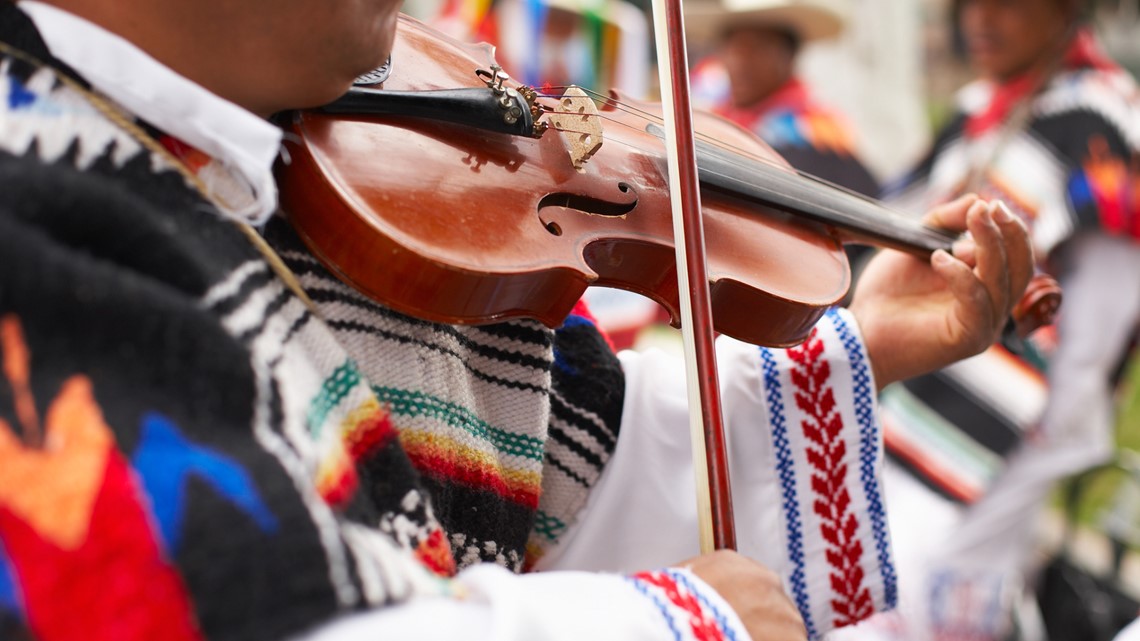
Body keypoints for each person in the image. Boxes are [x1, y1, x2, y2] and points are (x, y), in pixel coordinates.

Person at [0, 1, 1032, 641]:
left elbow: (537, 469)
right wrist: (674, 624)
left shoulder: (268, 167)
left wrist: (858, 340)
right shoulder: (34, 209)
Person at [832, 1, 1140, 639]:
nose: (980, 18)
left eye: (1007, 0)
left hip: (1001, 432)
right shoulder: (982, 110)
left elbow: (1095, 332)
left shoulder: (1101, 124)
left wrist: (1041, 444)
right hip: (906, 397)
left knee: (914, 602)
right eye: (969, 1)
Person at [686, 0, 879, 198]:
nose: (739, 63)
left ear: (789, 56)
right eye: (731, 49)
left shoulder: (816, 132)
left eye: (755, 49)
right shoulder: (710, 119)